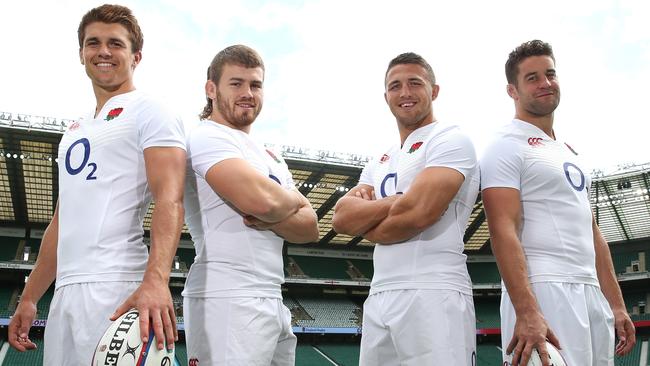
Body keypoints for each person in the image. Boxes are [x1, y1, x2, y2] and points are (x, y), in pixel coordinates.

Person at [8, 4, 186, 364]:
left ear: (136, 56)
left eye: (115, 44)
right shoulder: (73, 131)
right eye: (93, 43)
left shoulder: (151, 110)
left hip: (117, 286)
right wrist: (29, 296)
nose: (103, 51)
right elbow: (62, 221)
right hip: (65, 296)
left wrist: (156, 279)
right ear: (81, 54)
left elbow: (170, 196)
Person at [480, 39, 636, 366]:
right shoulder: (504, 145)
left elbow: (592, 231)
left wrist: (617, 304)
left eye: (550, 74)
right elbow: (502, 229)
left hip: (590, 293)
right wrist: (527, 310)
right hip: (545, 289)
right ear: (513, 91)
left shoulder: (569, 151)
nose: (545, 83)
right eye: (533, 77)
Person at [332, 52, 480, 365]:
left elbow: (420, 213)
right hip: (380, 294)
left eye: (415, 83)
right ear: (386, 95)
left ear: (434, 91)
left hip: (434, 291)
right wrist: (397, 200)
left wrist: (371, 223)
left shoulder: (450, 139)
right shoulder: (380, 159)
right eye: (395, 85)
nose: (405, 93)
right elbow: (342, 218)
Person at [182, 44, 319, 365]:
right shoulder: (207, 136)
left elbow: (310, 227)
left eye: (255, 85)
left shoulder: (270, 154)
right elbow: (259, 201)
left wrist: (271, 212)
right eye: (236, 83)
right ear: (211, 89)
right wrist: (288, 203)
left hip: (272, 294)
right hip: (227, 294)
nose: (247, 92)